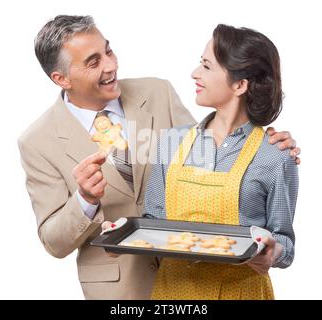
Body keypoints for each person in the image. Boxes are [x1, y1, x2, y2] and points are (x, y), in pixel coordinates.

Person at [18, 15, 299, 300]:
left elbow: (211, 157)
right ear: (61, 78)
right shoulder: (37, 141)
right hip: (121, 290)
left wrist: (260, 143)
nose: (111, 65)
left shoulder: (157, 92)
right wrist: (85, 201)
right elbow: (54, 242)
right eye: (93, 62)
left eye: (109, 50)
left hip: (203, 281)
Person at [144, 24, 299, 300]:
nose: (195, 73)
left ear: (240, 85)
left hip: (241, 293)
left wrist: (272, 253)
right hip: (174, 294)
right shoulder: (171, 141)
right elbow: (152, 223)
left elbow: (285, 242)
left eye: (206, 66)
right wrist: (121, 238)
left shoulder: (275, 155)